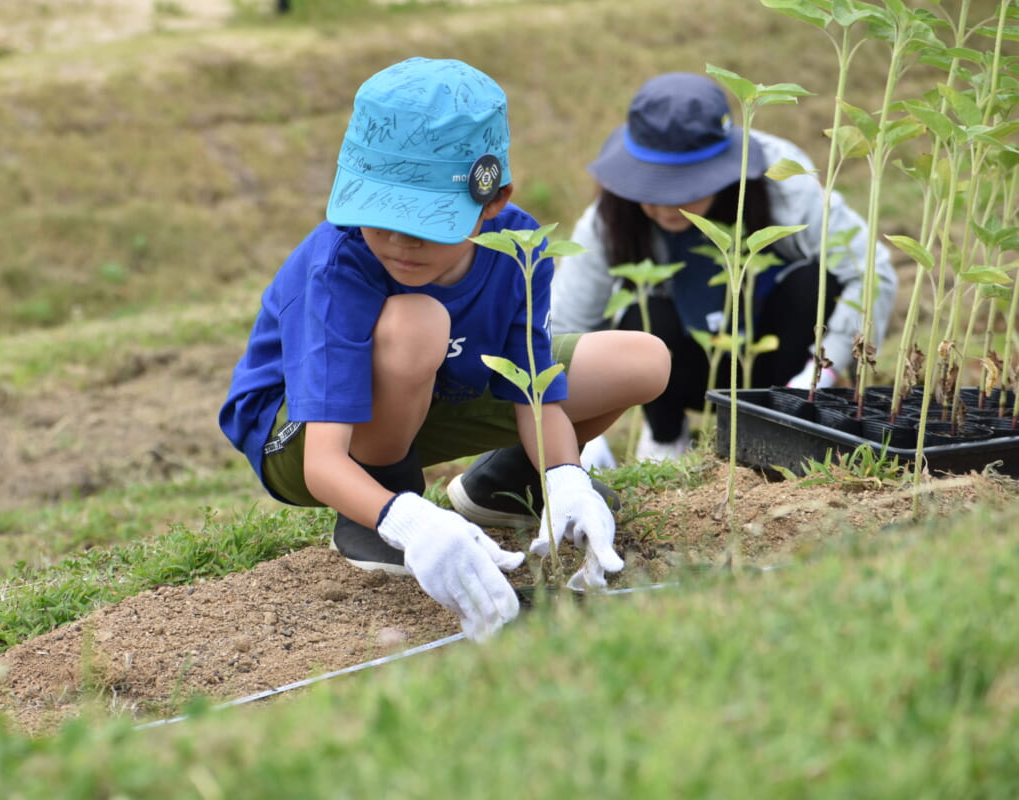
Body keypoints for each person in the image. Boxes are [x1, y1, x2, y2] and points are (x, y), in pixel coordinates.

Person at [219, 57, 670, 642]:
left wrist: (564, 476)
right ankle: (383, 496)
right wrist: (408, 521)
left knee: (642, 360)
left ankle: (507, 487)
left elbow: (534, 388)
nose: (398, 244)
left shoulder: (519, 247)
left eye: (426, 225)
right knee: (416, 323)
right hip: (305, 434)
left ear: (493, 201)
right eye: (380, 219)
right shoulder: (340, 262)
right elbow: (321, 462)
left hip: (435, 389)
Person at [551, 72, 896, 462]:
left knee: (813, 283)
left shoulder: (783, 183)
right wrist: (580, 426)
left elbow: (871, 273)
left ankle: (787, 420)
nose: (665, 206)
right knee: (641, 314)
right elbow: (568, 328)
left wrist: (821, 372)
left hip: (777, 357)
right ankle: (666, 437)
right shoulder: (609, 218)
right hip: (683, 368)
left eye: (684, 187)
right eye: (651, 186)